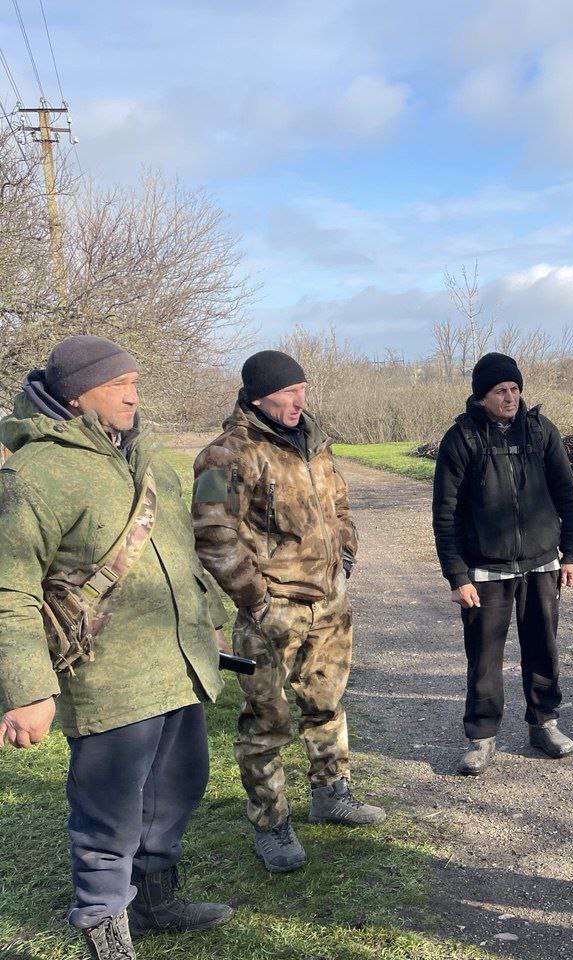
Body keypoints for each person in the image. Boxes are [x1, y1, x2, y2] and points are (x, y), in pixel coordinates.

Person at [0, 336, 232, 960]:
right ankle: (106, 932)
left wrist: (209, 617)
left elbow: (184, 552)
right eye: (119, 383)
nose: (134, 393)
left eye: (136, 380)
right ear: (77, 394)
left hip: (176, 660)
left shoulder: (149, 455)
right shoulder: (34, 474)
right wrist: (27, 691)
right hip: (106, 677)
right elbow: (9, 590)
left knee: (177, 787)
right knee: (109, 815)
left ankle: (156, 902)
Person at [192, 350, 384, 875]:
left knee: (326, 701)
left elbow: (338, 505)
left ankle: (332, 793)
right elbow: (213, 536)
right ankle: (271, 823)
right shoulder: (227, 454)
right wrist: (256, 599)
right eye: (288, 391)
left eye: (303, 388)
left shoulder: (316, 444)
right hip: (271, 612)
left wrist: (345, 553)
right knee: (267, 720)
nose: (300, 399)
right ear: (258, 397)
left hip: (328, 602)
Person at [431, 352, 573, 775]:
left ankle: (544, 724)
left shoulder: (540, 432)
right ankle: (481, 738)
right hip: (484, 571)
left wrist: (571, 555)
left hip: (540, 564)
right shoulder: (461, 439)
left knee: (543, 649)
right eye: (501, 390)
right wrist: (456, 575)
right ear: (482, 396)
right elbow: (445, 513)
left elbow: (566, 496)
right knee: (483, 657)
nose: (511, 397)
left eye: (515, 389)